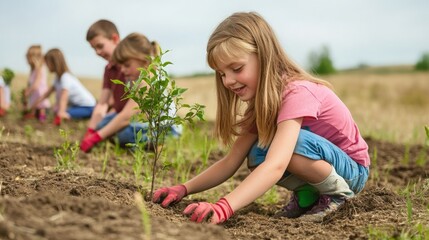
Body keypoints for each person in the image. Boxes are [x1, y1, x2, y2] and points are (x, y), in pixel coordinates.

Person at [152, 12, 370, 224]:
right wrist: (184, 188)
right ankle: (308, 197)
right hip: (325, 164)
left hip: (352, 171)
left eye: (236, 68)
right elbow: (231, 161)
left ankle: (338, 195)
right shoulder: (262, 103)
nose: (228, 81)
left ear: (264, 56)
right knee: (257, 151)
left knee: (289, 145)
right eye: (221, 74)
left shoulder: (297, 92)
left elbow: (276, 164)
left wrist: (223, 207)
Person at [79, 32, 182, 152]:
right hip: (155, 128)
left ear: (144, 61)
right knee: (105, 125)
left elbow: (126, 116)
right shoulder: (144, 77)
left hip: (167, 132)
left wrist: (96, 137)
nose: (122, 70)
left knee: (122, 134)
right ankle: (139, 146)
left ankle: (151, 146)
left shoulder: (148, 82)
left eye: (127, 65)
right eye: (121, 65)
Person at [30, 48, 96, 125]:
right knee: (55, 110)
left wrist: (61, 113)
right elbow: (46, 94)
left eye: (47, 63)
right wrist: (34, 105)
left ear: (54, 63)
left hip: (88, 107)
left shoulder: (65, 77)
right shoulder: (58, 78)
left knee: (62, 113)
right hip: (76, 106)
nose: (46, 66)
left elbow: (64, 98)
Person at [83, 19, 125, 139]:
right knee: (101, 126)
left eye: (100, 46)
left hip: (137, 117)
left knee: (120, 133)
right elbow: (102, 103)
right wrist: (91, 130)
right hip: (120, 115)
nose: (97, 52)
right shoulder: (108, 69)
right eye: (94, 49)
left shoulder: (131, 65)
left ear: (115, 39)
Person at [24, 45, 51, 122]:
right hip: (35, 93)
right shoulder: (33, 69)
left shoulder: (39, 69)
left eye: (28, 57)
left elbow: (36, 84)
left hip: (40, 93)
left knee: (41, 106)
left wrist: (29, 91)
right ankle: (34, 115)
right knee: (36, 106)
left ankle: (42, 118)